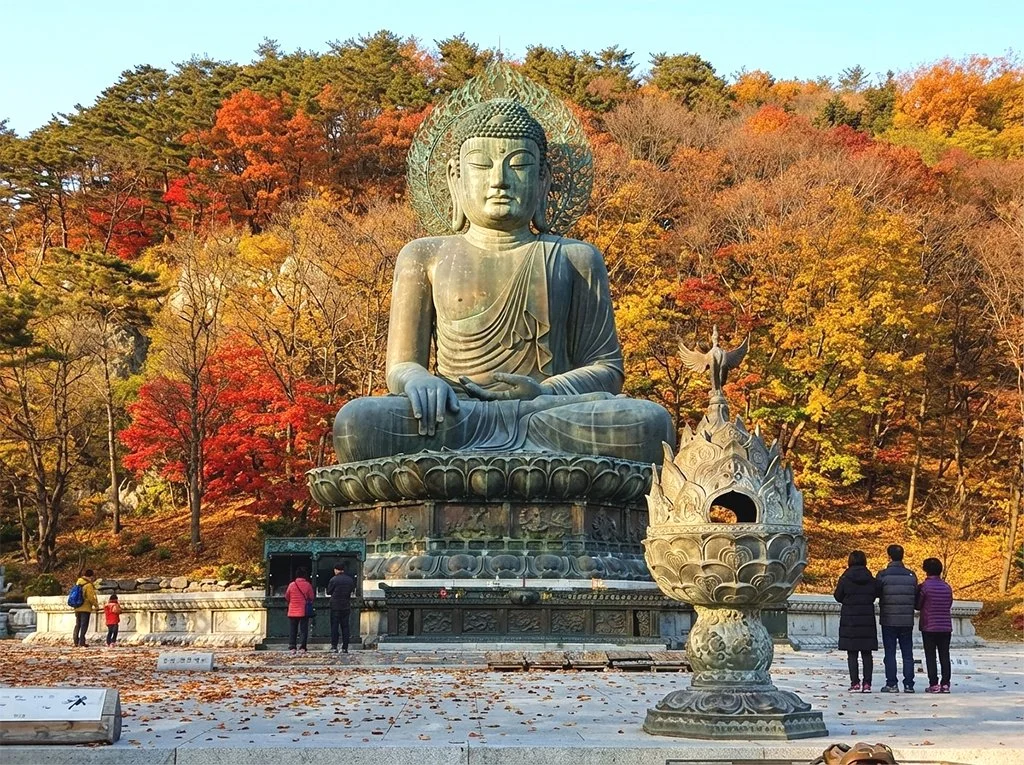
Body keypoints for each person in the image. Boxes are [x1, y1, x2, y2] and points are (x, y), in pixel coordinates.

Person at [332, 97, 675, 465]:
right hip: (455, 412)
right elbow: (401, 365)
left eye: (520, 165)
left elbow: (607, 369)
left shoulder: (575, 257)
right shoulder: (424, 255)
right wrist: (418, 382)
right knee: (357, 423)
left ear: (543, 180)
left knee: (650, 423)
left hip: (546, 412)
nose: (499, 180)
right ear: (455, 177)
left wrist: (543, 390)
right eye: (481, 164)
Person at [834, 550, 878, 692]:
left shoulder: (845, 578)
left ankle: (855, 683)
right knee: (867, 653)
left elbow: (838, 596)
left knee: (852, 653)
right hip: (867, 619)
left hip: (850, 619)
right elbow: (876, 593)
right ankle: (867, 683)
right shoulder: (870, 578)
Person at [876, 544, 918, 693]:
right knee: (908, 653)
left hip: (888, 619)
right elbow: (916, 598)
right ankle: (909, 684)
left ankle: (892, 683)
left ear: (889, 556)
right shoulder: (911, 575)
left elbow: (877, 593)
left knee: (890, 653)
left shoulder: (883, 575)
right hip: (906, 620)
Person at [917, 557, 954, 693]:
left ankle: (934, 683)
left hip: (929, 626)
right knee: (945, 655)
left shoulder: (924, 587)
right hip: (945, 626)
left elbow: (918, 605)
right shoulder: (946, 587)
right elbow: (949, 604)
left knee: (930, 655)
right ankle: (945, 684)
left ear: (926, 570)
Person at [327, 564, 357, 653]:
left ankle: (334, 646)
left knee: (334, 626)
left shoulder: (333, 579)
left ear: (336, 570)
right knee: (345, 627)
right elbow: (352, 590)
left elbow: (329, 591)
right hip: (346, 605)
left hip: (335, 605)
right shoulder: (349, 580)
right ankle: (345, 647)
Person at [284, 567, 314, 654]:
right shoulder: (307, 585)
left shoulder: (291, 585)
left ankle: (292, 647)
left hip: (292, 610)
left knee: (293, 629)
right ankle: (302, 647)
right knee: (303, 630)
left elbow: (287, 596)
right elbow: (311, 597)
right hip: (303, 610)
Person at [72, 569, 98, 647]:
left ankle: (76, 640)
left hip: (77, 606)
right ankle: (82, 642)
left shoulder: (78, 582)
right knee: (84, 625)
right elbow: (90, 597)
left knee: (78, 624)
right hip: (85, 608)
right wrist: (96, 605)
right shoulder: (88, 585)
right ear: (91, 576)